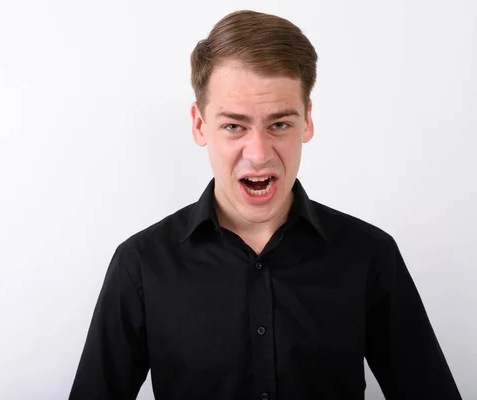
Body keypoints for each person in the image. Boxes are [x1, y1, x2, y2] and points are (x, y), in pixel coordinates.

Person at [68, 10, 461, 400]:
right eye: (234, 125)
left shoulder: (371, 255)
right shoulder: (139, 264)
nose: (257, 154)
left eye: (279, 124)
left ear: (306, 121)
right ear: (199, 124)